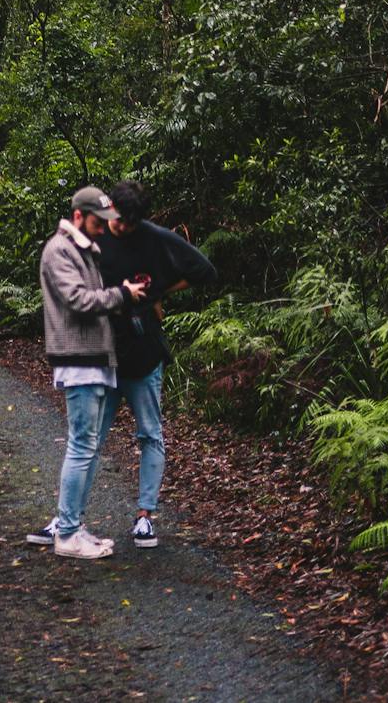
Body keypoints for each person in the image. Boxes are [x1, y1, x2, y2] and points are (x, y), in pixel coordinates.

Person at [28, 183, 148, 559]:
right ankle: (65, 533)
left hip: (94, 359)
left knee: (88, 447)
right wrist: (122, 294)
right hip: (78, 360)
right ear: (79, 216)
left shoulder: (83, 250)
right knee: (81, 446)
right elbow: (78, 301)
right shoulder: (59, 250)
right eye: (99, 221)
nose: (104, 227)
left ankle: (74, 526)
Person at [96, 178, 217, 548]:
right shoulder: (96, 232)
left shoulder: (154, 238)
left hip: (143, 349)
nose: (123, 229)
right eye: (119, 222)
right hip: (102, 352)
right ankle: (68, 520)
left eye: (130, 225)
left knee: (150, 433)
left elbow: (204, 272)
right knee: (89, 439)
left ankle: (145, 516)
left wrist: (159, 291)